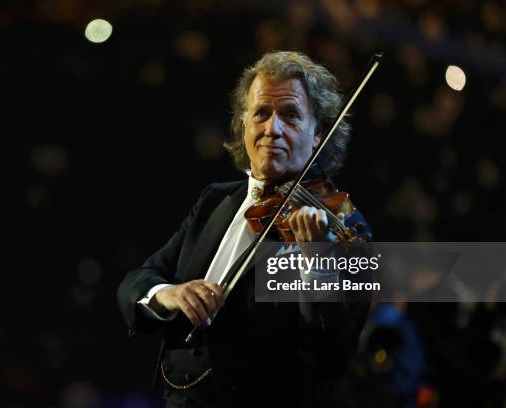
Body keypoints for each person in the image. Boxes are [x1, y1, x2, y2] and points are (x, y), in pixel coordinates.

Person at [117, 51, 372, 408]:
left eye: (291, 115)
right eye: (262, 113)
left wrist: (318, 263)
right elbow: (135, 283)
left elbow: (333, 355)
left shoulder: (345, 227)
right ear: (243, 124)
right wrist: (168, 294)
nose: (273, 129)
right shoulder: (214, 200)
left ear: (318, 136)